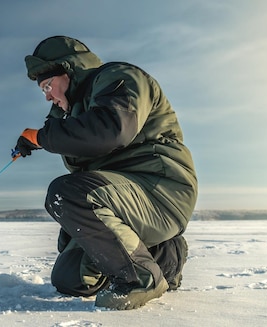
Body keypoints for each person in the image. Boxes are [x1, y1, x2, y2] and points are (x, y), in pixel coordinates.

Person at [14, 36, 198, 310]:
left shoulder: (119, 77)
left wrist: (43, 136)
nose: (48, 96)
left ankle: (141, 278)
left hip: (160, 190)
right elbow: (80, 141)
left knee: (67, 194)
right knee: (70, 279)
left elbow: (112, 129)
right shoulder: (76, 109)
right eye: (44, 91)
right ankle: (162, 256)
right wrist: (41, 134)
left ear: (69, 70)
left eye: (48, 86)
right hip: (125, 196)